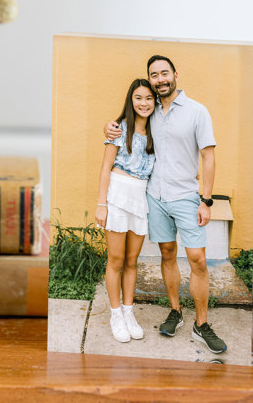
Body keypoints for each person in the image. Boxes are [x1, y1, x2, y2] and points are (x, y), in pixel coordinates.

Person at [105, 55, 227, 354]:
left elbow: (208, 156)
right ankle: (175, 311)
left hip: (186, 195)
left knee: (197, 258)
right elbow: (125, 129)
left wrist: (206, 200)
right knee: (167, 253)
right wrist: (110, 129)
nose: (159, 79)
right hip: (154, 196)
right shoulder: (150, 110)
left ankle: (202, 324)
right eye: (154, 75)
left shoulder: (197, 112)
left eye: (164, 73)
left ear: (175, 74)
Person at [95, 78, 156, 343]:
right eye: (138, 98)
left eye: (148, 98)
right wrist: (101, 204)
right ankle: (115, 313)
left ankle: (129, 312)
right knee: (116, 259)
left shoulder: (157, 133)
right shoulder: (119, 129)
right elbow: (105, 167)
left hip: (140, 197)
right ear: (131, 101)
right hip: (118, 195)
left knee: (132, 260)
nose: (144, 103)